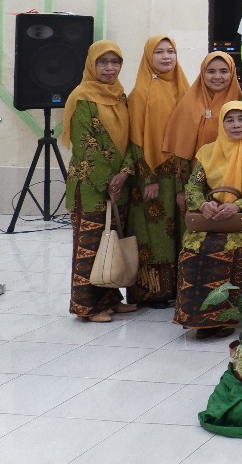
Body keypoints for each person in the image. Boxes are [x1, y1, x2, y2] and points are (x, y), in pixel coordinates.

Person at [174, 102, 242, 338]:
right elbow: (193, 186)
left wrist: (237, 205)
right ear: (221, 123)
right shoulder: (209, 151)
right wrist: (202, 204)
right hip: (212, 215)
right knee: (194, 246)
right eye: (229, 120)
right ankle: (197, 316)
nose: (236, 125)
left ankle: (226, 317)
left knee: (227, 247)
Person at [65, 40, 138, 323]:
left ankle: (110, 298)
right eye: (103, 62)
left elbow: (132, 138)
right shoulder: (82, 97)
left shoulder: (120, 96)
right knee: (90, 245)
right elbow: (85, 145)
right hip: (91, 186)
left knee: (112, 243)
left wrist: (125, 173)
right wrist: (110, 181)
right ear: (91, 64)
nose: (109, 68)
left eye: (115, 62)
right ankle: (86, 306)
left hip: (119, 183)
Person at [125, 35, 189, 308]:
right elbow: (136, 139)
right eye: (159, 52)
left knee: (180, 228)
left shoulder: (184, 88)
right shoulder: (140, 93)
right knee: (152, 231)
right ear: (148, 58)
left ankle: (176, 286)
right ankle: (151, 291)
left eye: (170, 51)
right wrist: (147, 177)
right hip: (153, 175)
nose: (166, 57)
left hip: (180, 173)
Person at [161, 51, 242, 187]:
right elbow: (181, 151)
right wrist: (182, 190)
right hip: (195, 182)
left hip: (234, 181)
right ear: (203, 73)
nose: (217, 77)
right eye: (211, 71)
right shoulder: (188, 104)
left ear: (232, 73)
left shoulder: (241, 103)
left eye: (224, 71)